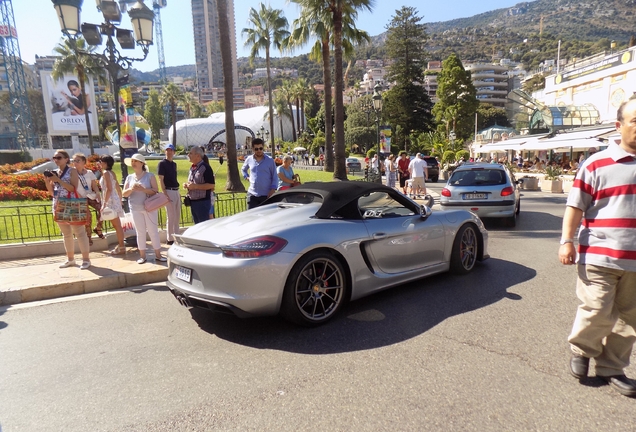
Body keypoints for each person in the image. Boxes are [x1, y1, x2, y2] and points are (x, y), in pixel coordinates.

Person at [559, 99, 636, 397]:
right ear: (619, 126)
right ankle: (582, 350)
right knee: (597, 309)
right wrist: (567, 240)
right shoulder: (596, 163)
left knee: (631, 320)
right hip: (599, 255)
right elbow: (575, 205)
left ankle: (612, 367)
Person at [43, 150, 91, 269]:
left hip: (71, 204)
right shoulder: (55, 172)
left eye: (59, 157)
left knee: (79, 232)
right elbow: (52, 193)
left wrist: (58, 180)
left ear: (66, 159)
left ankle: (86, 259)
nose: (56, 160)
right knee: (66, 234)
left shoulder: (72, 171)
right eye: (54, 157)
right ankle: (70, 259)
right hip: (59, 204)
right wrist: (47, 181)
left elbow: (72, 188)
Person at [122, 153, 166, 264]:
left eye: (135, 161)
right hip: (135, 208)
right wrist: (132, 188)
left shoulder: (149, 176)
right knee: (140, 232)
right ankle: (142, 256)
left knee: (153, 231)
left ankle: (158, 255)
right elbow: (124, 194)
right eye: (132, 161)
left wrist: (143, 189)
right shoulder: (129, 177)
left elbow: (155, 191)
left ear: (142, 163)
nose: (133, 163)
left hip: (149, 208)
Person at [71, 153, 102, 246]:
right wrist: (78, 195)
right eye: (74, 161)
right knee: (88, 216)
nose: (75, 163)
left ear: (84, 162)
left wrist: (97, 193)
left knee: (103, 209)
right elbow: (72, 187)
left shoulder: (89, 173)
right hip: (80, 197)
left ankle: (98, 228)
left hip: (90, 195)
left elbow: (94, 185)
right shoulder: (72, 173)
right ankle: (88, 237)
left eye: (78, 161)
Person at [98, 155, 126, 255]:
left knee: (117, 225)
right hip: (114, 199)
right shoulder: (112, 173)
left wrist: (104, 203)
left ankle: (121, 246)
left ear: (105, 163)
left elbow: (109, 189)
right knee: (117, 225)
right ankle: (121, 245)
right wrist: (120, 198)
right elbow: (117, 187)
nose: (99, 163)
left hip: (110, 200)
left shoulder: (105, 173)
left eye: (101, 161)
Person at [241, 138, 278, 209]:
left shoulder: (270, 160)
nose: (259, 151)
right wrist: (246, 176)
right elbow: (243, 169)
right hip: (252, 194)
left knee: (266, 218)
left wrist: (273, 189)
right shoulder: (249, 159)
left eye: (261, 148)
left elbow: (275, 176)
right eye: (256, 149)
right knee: (251, 218)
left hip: (266, 195)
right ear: (252, 149)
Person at [183, 146, 215, 223]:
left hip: (202, 203)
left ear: (197, 155)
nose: (188, 155)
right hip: (193, 202)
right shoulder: (192, 168)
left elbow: (211, 185)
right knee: (197, 226)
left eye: (191, 153)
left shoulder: (205, 168)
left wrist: (195, 186)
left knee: (203, 227)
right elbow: (194, 181)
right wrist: (187, 185)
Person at [158, 144, 181, 245]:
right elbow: (160, 179)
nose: (169, 152)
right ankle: (170, 238)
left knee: (177, 216)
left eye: (171, 150)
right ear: (165, 152)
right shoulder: (162, 164)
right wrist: (165, 193)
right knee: (170, 216)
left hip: (176, 190)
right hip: (169, 191)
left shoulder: (174, 164)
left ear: (174, 152)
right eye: (167, 150)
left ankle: (176, 236)